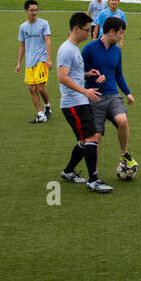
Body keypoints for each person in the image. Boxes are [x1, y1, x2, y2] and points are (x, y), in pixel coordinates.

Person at [56, 11, 110, 194]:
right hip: (73, 103)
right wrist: (84, 91)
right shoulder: (66, 49)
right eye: (86, 30)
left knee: (84, 139)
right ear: (76, 28)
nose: (89, 34)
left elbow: (71, 74)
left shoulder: (74, 48)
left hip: (79, 101)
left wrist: (87, 74)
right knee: (92, 137)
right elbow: (62, 77)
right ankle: (93, 180)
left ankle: (68, 171)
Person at [82, 16, 136, 176]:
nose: (121, 37)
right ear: (111, 31)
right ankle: (93, 174)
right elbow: (77, 74)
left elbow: (119, 74)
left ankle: (124, 154)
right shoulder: (89, 49)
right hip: (94, 97)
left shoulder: (117, 51)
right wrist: (92, 77)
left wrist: (128, 93)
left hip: (113, 95)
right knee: (96, 137)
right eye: (120, 33)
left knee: (122, 120)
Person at [17, 0, 54, 123]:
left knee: (40, 88)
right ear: (26, 11)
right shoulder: (23, 27)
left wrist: (48, 59)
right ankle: (40, 114)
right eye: (31, 10)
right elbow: (22, 45)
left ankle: (47, 105)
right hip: (29, 61)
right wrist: (18, 63)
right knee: (31, 89)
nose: (34, 12)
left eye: (36, 10)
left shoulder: (44, 24)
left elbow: (48, 40)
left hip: (41, 60)